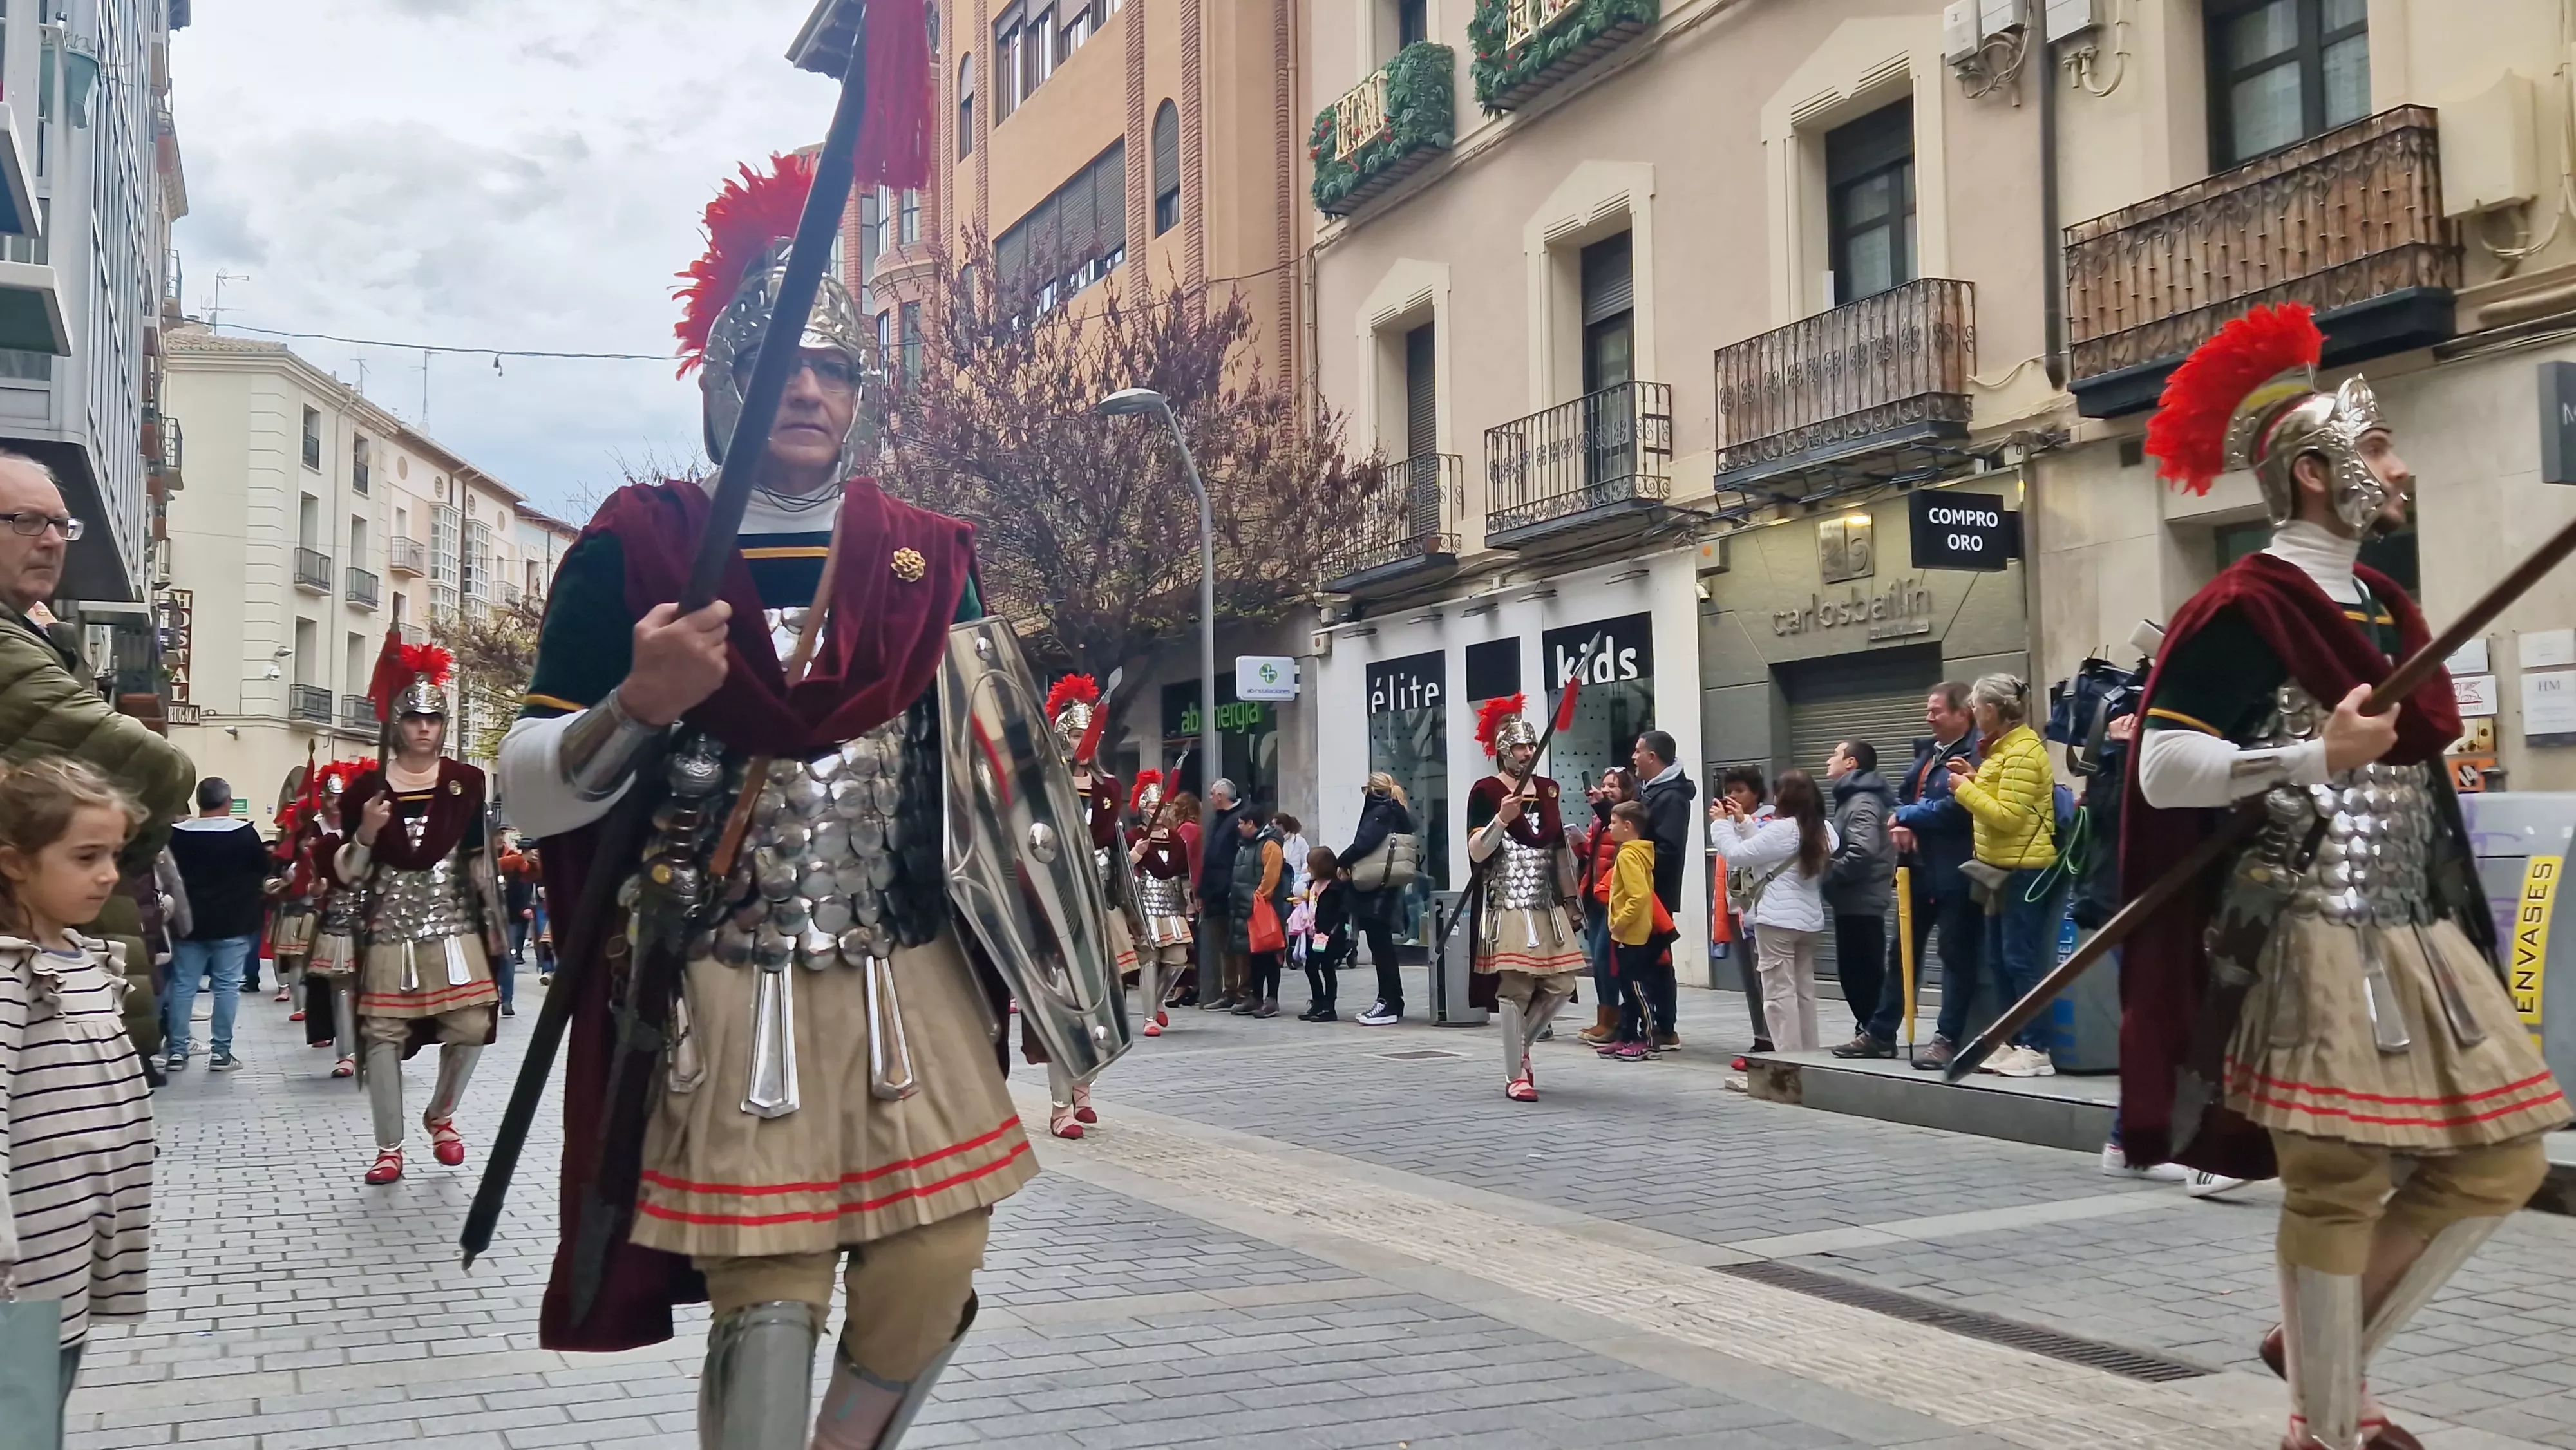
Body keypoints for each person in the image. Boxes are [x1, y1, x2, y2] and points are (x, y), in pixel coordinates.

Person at [495, 154, 1070, 1450]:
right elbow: (523, 793)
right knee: (770, 1291)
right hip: (723, 966)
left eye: (831, 370)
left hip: (903, 965)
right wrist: (633, 701)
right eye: (772, 367)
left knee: (935, 1257)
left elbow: (996, 781)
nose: (804, 391)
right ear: (720, 389)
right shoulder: (634, 549)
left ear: (858, 395)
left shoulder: (927, 558)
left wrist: (1055, 963)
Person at [2123, 303, 2567, 1450]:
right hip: (2304, 926)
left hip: (2416, 923)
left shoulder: (2386, 607)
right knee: (2334, 1176)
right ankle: (2330, 1419)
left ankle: (2325, 1349)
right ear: (2315, 474)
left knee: (2505, 1160)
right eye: (2376, 448)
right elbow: (2165, 766)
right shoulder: (2243, 605)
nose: (2400, 466)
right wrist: (2312, 753)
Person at [0, 451, 196, 1080]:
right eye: (27, 521)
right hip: (31, 964)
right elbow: (159, 768)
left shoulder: (34, 630)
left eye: (61, 524)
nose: (54, 540)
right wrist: (119, 852)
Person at [0, 758, 156, 1421]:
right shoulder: (14, 970)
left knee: (43, 1401)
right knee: (22, 1412)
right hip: (22, 1261)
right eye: (86, 855)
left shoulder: (80, 955)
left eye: (114, 854)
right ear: (14, 862)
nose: (108, 874)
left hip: (71, 1239)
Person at [323, 645, 507, 1184]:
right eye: (414, 718)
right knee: (381, 1033)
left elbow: (480, 860)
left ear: (444, 726)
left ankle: (442, 1115)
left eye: (433, 718)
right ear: (399, 725)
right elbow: (348, 872)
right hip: (389, 925)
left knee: (473, 1024)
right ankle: (389, 1146)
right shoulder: (367, 790)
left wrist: (495, 925)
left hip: (453, 922)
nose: (424, 728)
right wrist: (366, 833)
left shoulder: (467, 782)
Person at [1022, 674, 1135, 1139]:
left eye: (1084, 734)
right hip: (1051, 901)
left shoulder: (1107, 786)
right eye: (1071, 733)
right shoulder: (1042, 784)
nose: (1080, 740)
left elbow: (1107, 838)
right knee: (1060, 1005)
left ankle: (1084, 1091)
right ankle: (1058, 1106)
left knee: (1098, 1001)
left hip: (1093, 900)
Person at [1464, 695, 1586, 1101]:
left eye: (1532, 746)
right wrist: (1501, 818)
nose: (1528, 753)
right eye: (1520, 747)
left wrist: (1572, 902)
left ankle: (1523, 1047)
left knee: (1561, 983)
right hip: (1508, 902)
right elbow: (1477, 851)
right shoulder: (1486, 790)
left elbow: (1557, 851)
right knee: (1515, 988)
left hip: (1547, 902)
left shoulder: (1549, 790)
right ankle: (1515, 1074)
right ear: (1503, 750)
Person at [1946, 673, 2063, 1080]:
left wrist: (1964, 789)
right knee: (1999, 960)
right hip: (1999, 870)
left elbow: (2010, 817)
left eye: (1976, 708)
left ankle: (2037, 1047)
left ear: (1992, 710)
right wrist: (1977, 779)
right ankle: (2011, 1041)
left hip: (2024, 870)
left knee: (2020, 959)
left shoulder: (2024, 753)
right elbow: (2007, 799)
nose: (1973, 714)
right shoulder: (2003, 751)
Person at [1886, 684, 1983, 1071]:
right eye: (1928, 710)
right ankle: (1880, 1031)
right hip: (1918, 870)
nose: (1929, 717)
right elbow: (1900, 796)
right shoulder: (1928, 754)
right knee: (1901, 953)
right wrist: (1901, 819)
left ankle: (1947, 1037)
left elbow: (1958, 809)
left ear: (1964, 714)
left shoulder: (1976, 754)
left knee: (1955, 955)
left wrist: (1908, 816)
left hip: (1957, 872)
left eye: (1936, 711)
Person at [1711, 769, 1838, 1053]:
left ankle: (1789, 1058)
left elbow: (1738, 854)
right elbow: (1769, 851)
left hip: (1776, 921)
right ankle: (1810, 1053)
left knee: (1779, 993)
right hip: (1809, 922)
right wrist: (1744, 824)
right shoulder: (1825, 829)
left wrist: (1721, 825)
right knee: (1804, 991)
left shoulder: (1783, 829)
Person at [164, 777, 270, 1073]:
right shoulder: (244, 834)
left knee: (184, 986)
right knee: (226, 987)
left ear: (200, 802)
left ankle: (177, 1051)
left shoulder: (177, 835)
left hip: (189, 924)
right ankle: (221, 1053)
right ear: (228, 802)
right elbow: (263, 869)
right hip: (233, 922)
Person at [1821, 742, 1897, 1057]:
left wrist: (1829, 873)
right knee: (1858, 970)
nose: (1828, 760)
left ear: (1851, 763)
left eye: (1835, 755)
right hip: (1853, 898)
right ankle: (1870, 1030)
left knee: (1861, 971)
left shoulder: (1862, 801)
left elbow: (1863, 850)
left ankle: (1876, 1035)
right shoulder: (1853, 800)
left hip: (1861, 899)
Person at [1629, 731, 1695, 1051]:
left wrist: (1635, 862)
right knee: (1643, 960)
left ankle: (1663, 1027)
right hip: (1642, 890)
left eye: (1638, 751)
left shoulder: (1671, 797)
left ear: (1652, 757)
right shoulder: (1651, 791)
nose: (1633, 757)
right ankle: (1647, 1026)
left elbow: (1667, 849)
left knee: (1654, 960)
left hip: (1654, 893)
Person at [1340, 773, 1417, 1026]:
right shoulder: (1395, 810)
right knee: (1383, 947)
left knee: (1380, 948)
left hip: (1375, 889)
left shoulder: (1379, 811)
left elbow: (1364, 843)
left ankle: (1388, 1001)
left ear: (1372, 790)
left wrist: (1341, 861)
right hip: (1387, 886)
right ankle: (1393, 1000)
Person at [1709, 766, 1775, 1055]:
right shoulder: (1732, 823)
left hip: (1761, 911)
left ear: (1757, 794)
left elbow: (1744, 854)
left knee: (1768, 981)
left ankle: (1772, 1039)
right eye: (1729, 791)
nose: (1732, 796)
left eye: (1740, 791)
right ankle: (1760, 1035)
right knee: (1750, 980)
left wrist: (1730, 824)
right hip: (1737, 907)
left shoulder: (1768, 823)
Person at [1602, 800, 1669, 1064]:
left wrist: (1619, 921)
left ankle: (1648, 1040)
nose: (1609, 826)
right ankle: (1627, 1034)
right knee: (1628, 988)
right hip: (1631, 933)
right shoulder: (1636, 852)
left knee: (1637, 989)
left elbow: (1639, 895)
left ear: (1628, 826)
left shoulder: (1629, 855)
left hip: (1631, 934)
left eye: (1614, 822)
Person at [1573, 767, 1633, 1046]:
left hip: (1611, 899)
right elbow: (1593, 854)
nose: (1606, 789)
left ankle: (1612, 1019)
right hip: (1594, 897)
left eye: (1614, 785)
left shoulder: (1626, 820)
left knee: (1605, 958)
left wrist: (1603, 808)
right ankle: (1605, 1018)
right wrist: (1579, 845)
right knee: (1598, 961)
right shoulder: (1601, 820)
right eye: (1604, 784)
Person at [1128, 774, 1193, 1033]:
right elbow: (1123, 868)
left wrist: (1190, 901)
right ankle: (1149, 1019)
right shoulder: (1133, 836)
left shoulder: (1176, 838)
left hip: (1171, 905)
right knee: (1149, 960)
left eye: (1162, 807)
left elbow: (1184, 873)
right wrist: (1136, 854)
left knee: (1178, 959)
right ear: (1143, 809)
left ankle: (1157, 1001)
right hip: (1145, 904)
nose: (1158, 811)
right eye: (1153, 807)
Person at [1227, 807, 1290, 1018]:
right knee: (1253, 953)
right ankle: (1255, 996)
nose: (1238, 827)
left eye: (1241, 823)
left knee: (1270, 954)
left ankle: (1272, 998)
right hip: (1248, 906)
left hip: (1265, 908)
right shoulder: (1247, 844)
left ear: (1251, 824)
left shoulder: (1270, 845)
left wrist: (1257, 898)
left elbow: (1270, 878)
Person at [1197, 778, 1250, 1011]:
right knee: (1223, 944)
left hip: (1231, 890)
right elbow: (1209, 858)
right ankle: (1229, 990)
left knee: (1238, 944)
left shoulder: (1239, 818)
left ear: (1221, 796)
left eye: (1212, 794)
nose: (1210, 798)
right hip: (1214, 892)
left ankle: (1244, 991)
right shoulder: (1216, 820)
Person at [1298, 845, 1349, 1021]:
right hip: (1314, 935)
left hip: (1329, 937)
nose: (1308, 869)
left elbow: (1339, 913)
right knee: (1311, 967)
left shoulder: (1335, 888)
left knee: (1328, 970)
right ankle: (1318, 1001)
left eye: (1311, 865)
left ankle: (1329, 1007)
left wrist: (1332, 932)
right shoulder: (1313, 885)